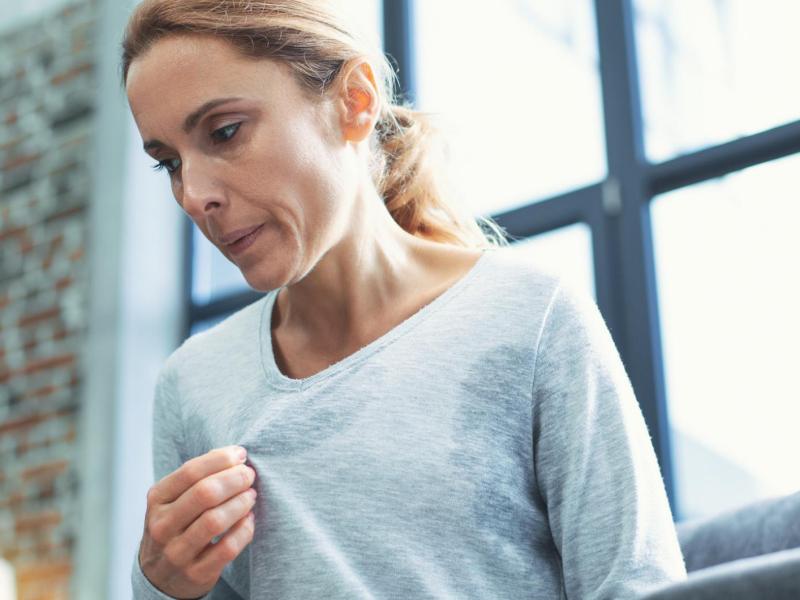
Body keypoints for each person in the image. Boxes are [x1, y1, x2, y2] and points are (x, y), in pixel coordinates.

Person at [123, 1, 688, 598]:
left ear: (355, 101)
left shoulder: (531, 315)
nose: (195, 195)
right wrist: (161, 583)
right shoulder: (193, 385)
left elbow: (635, 585)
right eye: (169, 165)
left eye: (225, 131)